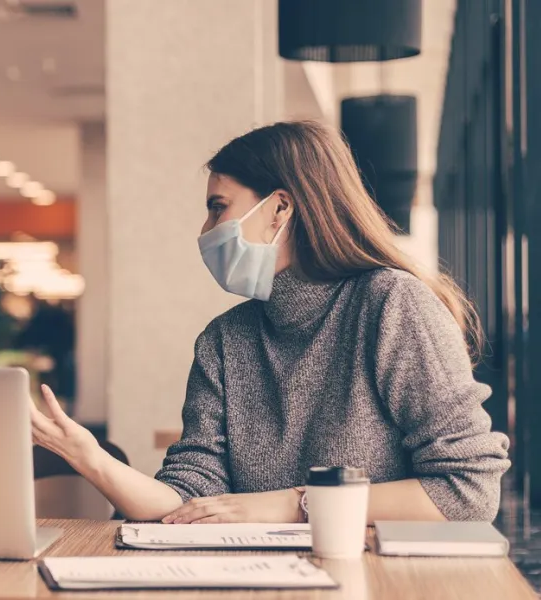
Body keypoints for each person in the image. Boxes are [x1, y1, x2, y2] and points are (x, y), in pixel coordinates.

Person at [31, 121, 510, 523]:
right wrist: (90, 459)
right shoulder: (224, 339)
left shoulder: (391, 305)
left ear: (280, 207)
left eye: (218, 207)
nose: (205, 232)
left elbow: (467, 490)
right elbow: (188, 500)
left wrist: (294, 503)